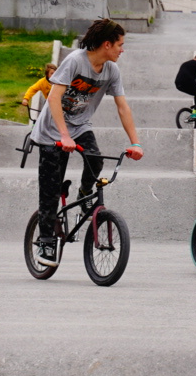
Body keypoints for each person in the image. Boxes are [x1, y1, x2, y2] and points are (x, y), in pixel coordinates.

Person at [34, 19, 144, 267]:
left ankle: (85, 194)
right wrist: (63, 136)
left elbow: (122, 106)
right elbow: (54, 97)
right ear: (107, 44)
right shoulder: (75, 60)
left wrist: (135, 143)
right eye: (120, 45)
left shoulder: (111, 71)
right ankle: (46, 242)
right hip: (52, 131)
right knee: (50, 191)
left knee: (95, 158)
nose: (122, 50)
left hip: (80, 126)